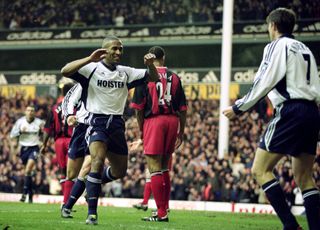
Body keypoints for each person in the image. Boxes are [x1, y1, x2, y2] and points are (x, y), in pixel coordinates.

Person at [222, 8, 320, 230]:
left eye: (268, 26)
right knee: (304, 177)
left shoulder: (276, 46)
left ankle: (290, 225)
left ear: (273, 26)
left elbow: (265, 81)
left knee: (260, 169)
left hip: (290, 110)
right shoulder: (306, 49)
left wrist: (239, 107)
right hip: (312, 112)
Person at [60, 35, 159, 225]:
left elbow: (153, 78)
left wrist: (150, 65)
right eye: (114, 49)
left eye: (120, 49)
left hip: (116, 125)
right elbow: (65, 70)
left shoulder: (126, 72)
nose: (118, 52)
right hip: (96, 122)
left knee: (119, 171)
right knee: (96, 161)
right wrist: (90, 58)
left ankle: (90, 186)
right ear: (104, 50)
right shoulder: (91, 69)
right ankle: (91, 214)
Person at [130, 46, 187, 222]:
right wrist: (181, 132)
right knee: (164, 167)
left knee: (153, 167)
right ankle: (165, 207)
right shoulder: (175, 77)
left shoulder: (145, 77)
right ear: (164, 57)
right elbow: (183, 109)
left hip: (154, 121)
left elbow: (139, 110)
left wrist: (142, 130)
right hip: (172, 121)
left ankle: (161, 212)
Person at [60, 83, 92, 218]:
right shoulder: (84, 81)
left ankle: (89, 205)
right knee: (71, 174)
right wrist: (68, 116)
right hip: (80, 127)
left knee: (90, 167)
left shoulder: (114, 78)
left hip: (98, 126)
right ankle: (66, 203)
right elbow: (68, 99)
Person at [41, 83, 75, 207]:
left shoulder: (55, 108)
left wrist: (44, 144)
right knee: (73, 172)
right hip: (72, 140)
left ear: (61, 93)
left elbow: (47, 128)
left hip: (58, 142)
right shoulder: (76, 106)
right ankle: (66, 202)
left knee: (64, 171)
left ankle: (65, 200)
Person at [10, 105, 45, 203]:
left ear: (34, 113)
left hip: (34, 148)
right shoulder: (20, 122)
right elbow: (12, 135)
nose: (30, 112)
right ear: (25, 112)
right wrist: (20, 131)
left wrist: (43, 142)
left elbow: (47, 132)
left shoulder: (39, 122)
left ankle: (24, 194)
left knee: (28, 169)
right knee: (28, 173)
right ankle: (31, 194)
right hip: (23, 149)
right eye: (28, 110)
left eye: (32, 111)